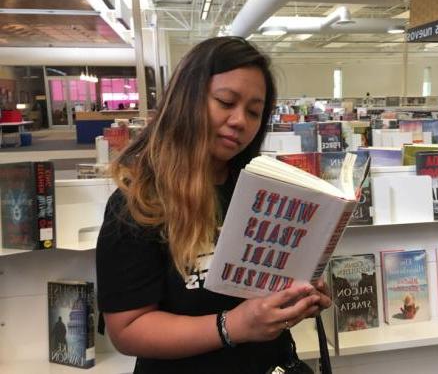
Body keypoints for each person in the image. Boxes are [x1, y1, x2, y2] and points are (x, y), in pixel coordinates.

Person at [96, 36, 331, 374]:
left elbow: (264, 294)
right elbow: (128, 329)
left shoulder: (263, 191)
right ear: (187, 99)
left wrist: (300, 296)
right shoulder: (142, 202)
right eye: (225, 102)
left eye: (254, 111)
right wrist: (233, 326)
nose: (240, 121)